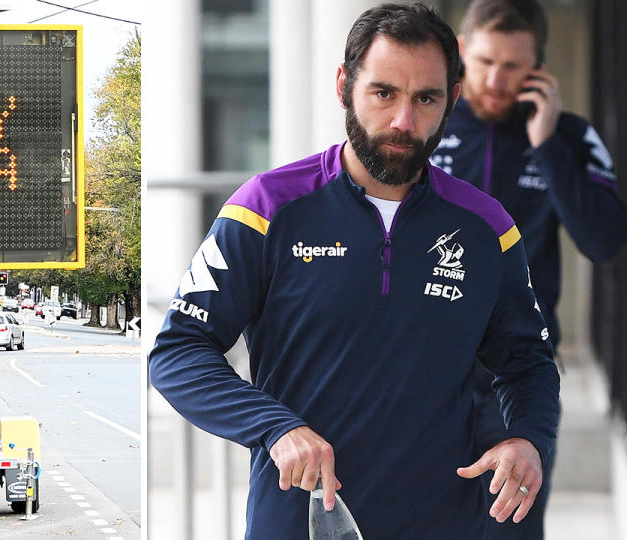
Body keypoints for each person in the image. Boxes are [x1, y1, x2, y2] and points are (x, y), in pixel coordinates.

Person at [148, 3, 560, 539]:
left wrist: (528, 437)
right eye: (383, 92)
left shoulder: (488, 227)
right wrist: (273, 428)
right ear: (345, 85)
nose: (403, 122)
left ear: (453, 99)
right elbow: (179, 351)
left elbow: (527, 362)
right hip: (297, 524)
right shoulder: (265, 207)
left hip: (442, 524)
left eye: (426, 98)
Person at [431, 1, 627, 537]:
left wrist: (546, 148)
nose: (496, 79)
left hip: (518, 375)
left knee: (511, 530)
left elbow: (604, 241)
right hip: (425, 369)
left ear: (538, 66)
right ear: (463, 50)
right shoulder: (426, 126)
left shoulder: (568, 137)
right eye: (486, 60)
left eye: (514, 66)